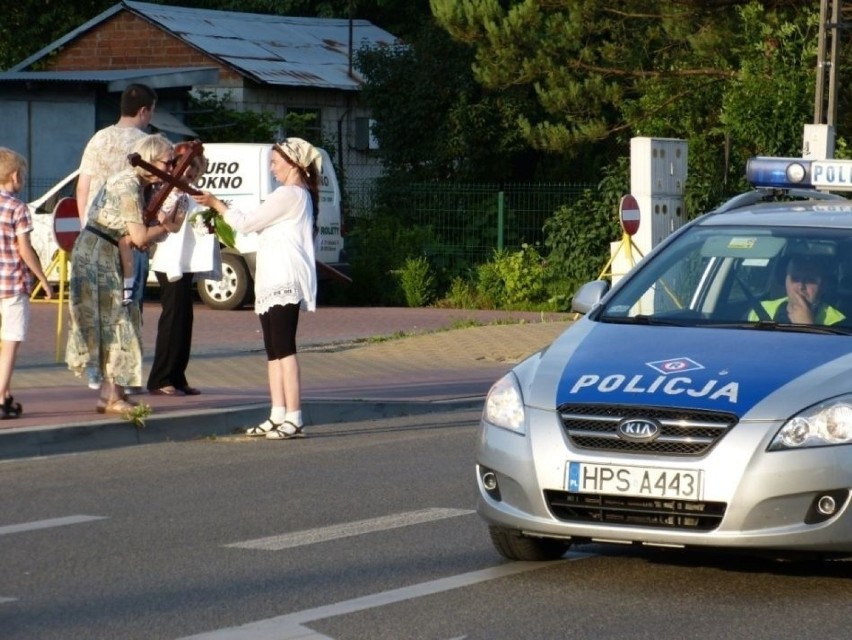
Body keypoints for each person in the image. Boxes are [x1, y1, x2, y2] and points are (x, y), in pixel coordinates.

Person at [192, 137, 319, 439]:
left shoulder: (290, 194)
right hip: (272, 277)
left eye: (275, 162)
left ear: (293, 163)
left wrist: (216, 204)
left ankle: (295, 415)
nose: (273, 169)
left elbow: (247, 223)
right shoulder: (291, 195)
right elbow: (256, 224)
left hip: (284, 277)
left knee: (284, 349)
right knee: (273, 351)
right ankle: (277, 413)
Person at [65, 134, 179, 415]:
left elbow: (143, 234)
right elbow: (140, 235)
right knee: (116, 323)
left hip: (110, 251)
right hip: (98, 253)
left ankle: (111, 395)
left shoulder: (142, 185)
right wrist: (167, 228)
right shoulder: (128, 183)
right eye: (169, 162)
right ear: (151, 160)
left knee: (120, 321)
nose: (171, 168)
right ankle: (112, 396)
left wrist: (165, 223)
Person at [76, 82, 157, 388]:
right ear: (144, 111)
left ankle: (96, 370)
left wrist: (88, 228)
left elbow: (82, 188)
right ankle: (123, 376)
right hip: (130, 235)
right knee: (128, 305)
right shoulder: (146, 144)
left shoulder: (99, 139)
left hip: (96, 234)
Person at [146, 147, 216, 396]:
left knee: (185, 320)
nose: (189, 171)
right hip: (170, 261)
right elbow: (161, 218)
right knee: (172, 319)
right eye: (184, 165)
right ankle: (160, 378)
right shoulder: (167, 191)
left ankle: (177, 376)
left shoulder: (195, 194)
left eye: (194, 167)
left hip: (186, 262)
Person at [0, 148, 54, 419]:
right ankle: (0, 397)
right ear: (15, 175)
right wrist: (43, 279)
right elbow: (25, 249)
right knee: (10, 341)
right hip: (12, 284)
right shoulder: (17, 208)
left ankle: (6, 394)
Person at [749, 254, 845, 325]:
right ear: (785, 281)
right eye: (795, 279)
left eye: (810, 280)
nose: (801, 286)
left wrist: (807, 325)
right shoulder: (760, 310)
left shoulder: (838, 321)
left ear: (823, 285)